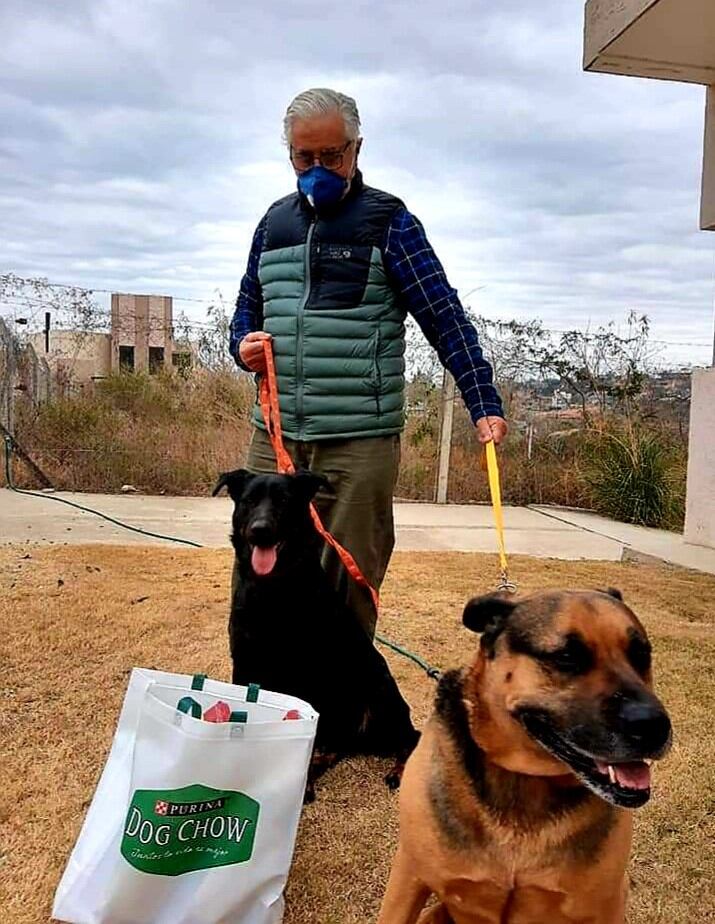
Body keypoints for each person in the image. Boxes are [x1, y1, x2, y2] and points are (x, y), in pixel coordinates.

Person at [230, 87, 507, 640]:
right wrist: (242, 346)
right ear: (289, 154)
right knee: (256, 582)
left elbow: (444, 317)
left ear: (356, 148)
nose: (318, 170)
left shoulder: (390, 222)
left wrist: (482, 401)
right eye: (304, 158)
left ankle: (338, 715)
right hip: (277, 439)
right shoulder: (272, 225)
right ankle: (262, 712)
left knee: (347, 594)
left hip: (358, 444)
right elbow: (244, 312)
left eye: (331, 156)